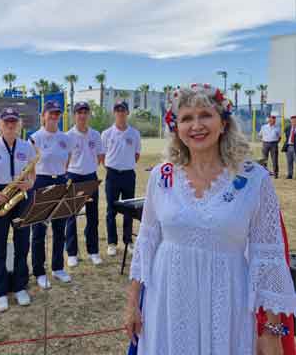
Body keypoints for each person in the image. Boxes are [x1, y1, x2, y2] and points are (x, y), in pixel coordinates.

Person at [125, 84, 296, 355]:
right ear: (176, 128)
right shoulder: (162, 176)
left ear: (223, 122)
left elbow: (269, 257)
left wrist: (271, 330)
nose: (196, 125)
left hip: (227, 300)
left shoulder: (254, 179)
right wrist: (133, 304)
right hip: (168, 298)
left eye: (205, 114)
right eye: (186, 118)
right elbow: (147, 241)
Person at [0, 107, 36, 312]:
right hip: (0, 195)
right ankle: (0, 291)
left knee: (22, 244)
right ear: (0, 125)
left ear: (19, 124)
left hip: (21, 196)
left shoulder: (26, 146)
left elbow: (32, 173)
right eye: (6, 122)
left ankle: (20, 287)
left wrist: (29, 184)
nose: (10, 125)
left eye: (14, 121)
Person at [31, 100, 73, 289]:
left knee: (59, 227)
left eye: (57, 113)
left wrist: (60, 176)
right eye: (51, 113)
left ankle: (57, 267)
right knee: (39, 230)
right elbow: (29, 165)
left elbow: (68, 158)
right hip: (41, 182)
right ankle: (39, 271)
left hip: (60, 181)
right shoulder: (35, 138)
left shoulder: (65, 138)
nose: (54, 116)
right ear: (43, 116)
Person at [65, 101, 104, 267]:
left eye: (85, 112)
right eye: (79, 112)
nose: (82, 115)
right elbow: (64, 159)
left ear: (88, 115)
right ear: (75, 115)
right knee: (71, 216)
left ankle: (93, 251)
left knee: (92, 216)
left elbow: (100, 156)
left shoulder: (95, 135)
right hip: (73, 176)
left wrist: (89, 166)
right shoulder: (68, 136)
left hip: (90, 177)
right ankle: (72, 253)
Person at [101, 100, 141, 256]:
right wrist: (113, 166)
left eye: (123, 110)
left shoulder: (134, 133)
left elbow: (136, 155)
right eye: (117, 110)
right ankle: (111, 243)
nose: (120, 113)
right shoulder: (106, 134)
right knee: (111, 210)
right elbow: (103, 156)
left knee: (129, 210)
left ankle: (128, 241)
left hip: (128, 175)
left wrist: (125, 164)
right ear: (114, 113)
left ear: (127, 112)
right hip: (112, 175)